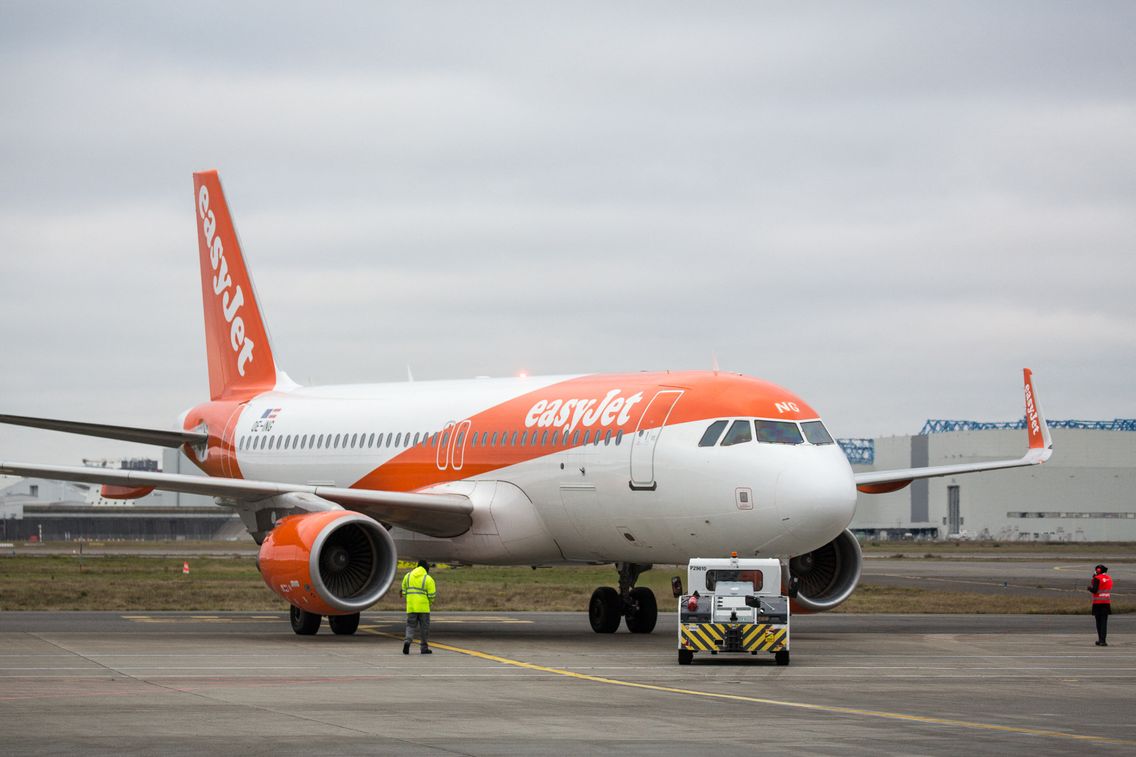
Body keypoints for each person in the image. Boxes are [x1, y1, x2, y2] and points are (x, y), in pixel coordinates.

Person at [401, 559, 436, 655]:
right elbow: (432, 595)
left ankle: (407, 641)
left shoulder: (407, 576)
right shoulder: (428, 579)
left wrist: (410, 599)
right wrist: (429, 603)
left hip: (411, 607)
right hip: (424, 608)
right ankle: (424, 648)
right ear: (426, 568)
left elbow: (404, 591)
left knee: (410, 626)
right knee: (424, 628)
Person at [1088, 564, 1112, 646]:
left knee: (1098, 622)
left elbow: (1094, 590)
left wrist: (1089, 588)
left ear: (1098, 570)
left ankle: (1100, 639)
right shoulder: (1109, 578)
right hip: (1106, 603)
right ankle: (1103, 640)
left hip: (1098, 603)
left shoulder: (1097, 578)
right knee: (1104, 622)